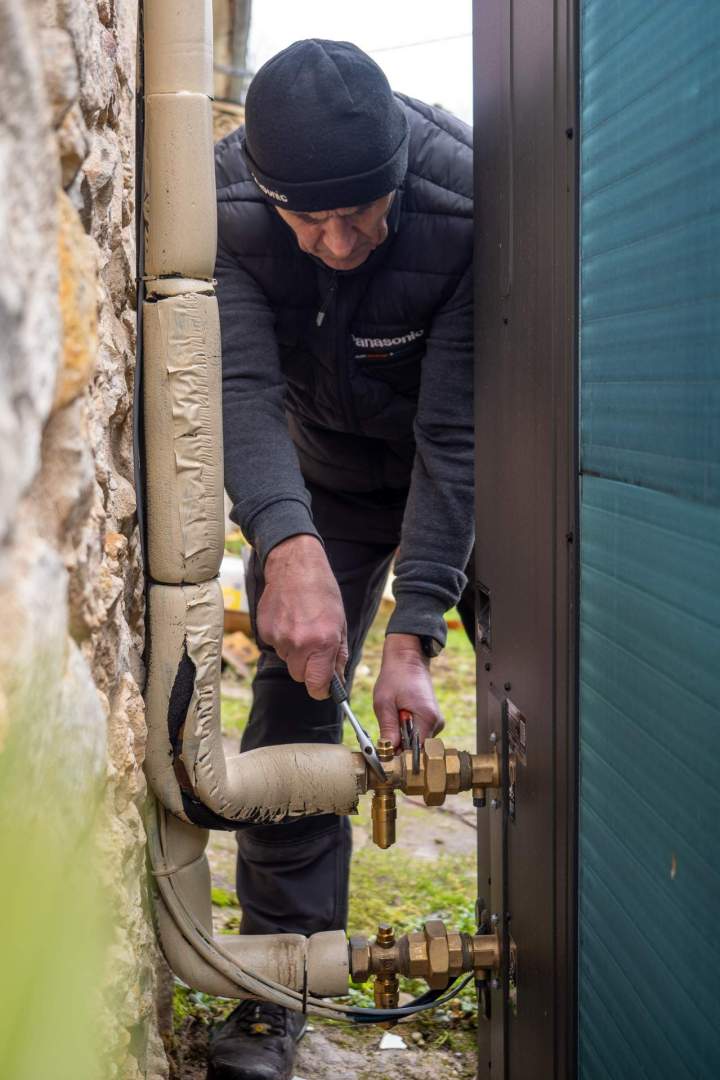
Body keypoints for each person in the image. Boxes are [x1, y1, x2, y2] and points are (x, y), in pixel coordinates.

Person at [208, 38, 474, 1080]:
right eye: (305, 218)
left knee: (541, 680)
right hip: (320, 480)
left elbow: (457, 434)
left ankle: (536, 942)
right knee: (295, 693)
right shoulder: (224, 206)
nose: (335, 241)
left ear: (399, 171)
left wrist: (420, 623)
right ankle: (287, 984)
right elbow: (233, 384)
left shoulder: (461, 201)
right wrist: (286, 540)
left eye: (359, 213)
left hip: (472, 470)